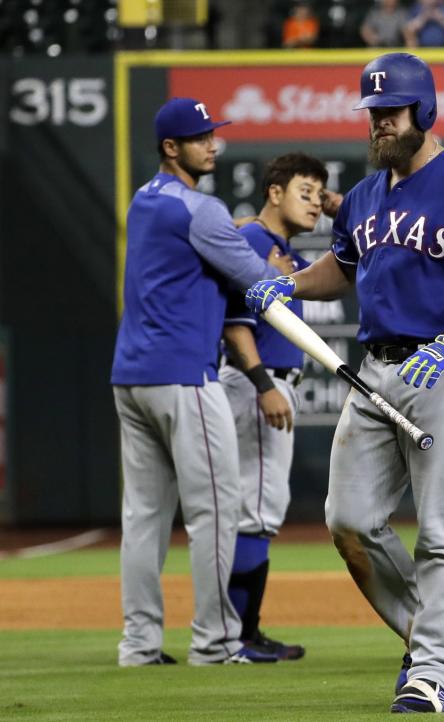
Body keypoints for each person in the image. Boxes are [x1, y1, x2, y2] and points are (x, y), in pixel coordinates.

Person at [244, 52, 444, 713]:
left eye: (389, 114)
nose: (377, 127)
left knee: (443, 527)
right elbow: (340, 269)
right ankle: (429, 634)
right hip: (374, 372)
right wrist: (290, 284)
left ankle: (433, 671)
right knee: (348, 520)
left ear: (424, 110)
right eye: (372, 115)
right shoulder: (365, 197)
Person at [111, 97, 294, 666]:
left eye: (214, 133)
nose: (214, 143)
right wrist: (288, 274)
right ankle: (214, 643)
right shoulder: (202, 209)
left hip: (131, 376)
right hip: (185, 376)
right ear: (172, 147)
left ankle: (139, 645)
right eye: (202, 137)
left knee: (143, 517)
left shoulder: (146, 199)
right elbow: (259, 278)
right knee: (214, 510)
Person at [221, 153, 333, 662]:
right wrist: (264, 383)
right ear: (273, 192)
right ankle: (239, 637)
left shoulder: (272, 247)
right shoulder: (254, 244)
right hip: (255, 382)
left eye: (318, 193)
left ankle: (241, 632)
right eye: (304, 191)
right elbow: (235, 321)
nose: (313, 202)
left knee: (255, 508)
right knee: (256, 510)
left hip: (260, 383)